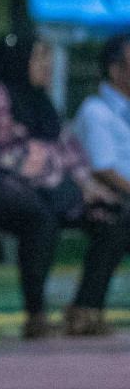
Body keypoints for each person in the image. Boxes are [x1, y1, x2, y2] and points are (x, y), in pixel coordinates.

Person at [0, 32, 117, 339]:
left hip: (47, 192)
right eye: (39, 57)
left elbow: (70, 153)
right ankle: (36, 316)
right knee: (40, 217)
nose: (47, 65)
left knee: (113, 215)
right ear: (21, 59)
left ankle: (86, 309)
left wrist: (88, 187)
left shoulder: (42, 103)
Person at [66, 33, 130, 336]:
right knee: (118, 221)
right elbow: (103, 170)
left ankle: (86, 308)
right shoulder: (96, 111)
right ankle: (85, 309)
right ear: (116, 70)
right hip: (94, 200)